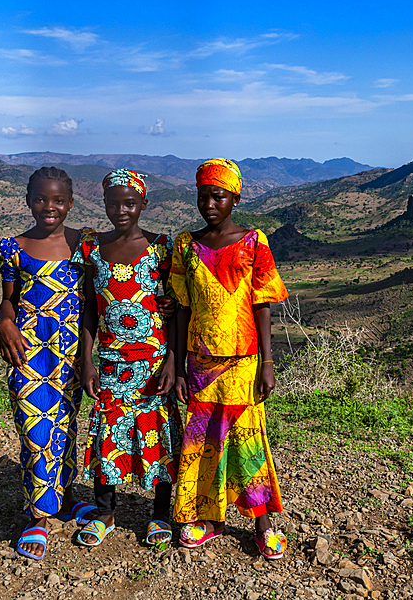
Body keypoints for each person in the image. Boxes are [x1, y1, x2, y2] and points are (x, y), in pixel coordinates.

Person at [170, 158, 290, 560]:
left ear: (235, 198)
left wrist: (268, 364)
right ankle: (209, 518)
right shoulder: (186, 246)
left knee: (246, 439)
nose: (209, 204)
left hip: (244, 360)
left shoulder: (255, 242)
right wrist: (179, 361)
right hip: (200, 360)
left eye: (218, 196)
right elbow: (182, 307)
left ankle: (262, 523)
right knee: (203, 440)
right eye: (203, 196)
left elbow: (262, 304)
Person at [74, 168, 181, 548]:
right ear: (103, 204)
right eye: (114, 203)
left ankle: (159, 514)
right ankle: (104, 512)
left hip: (153, 362)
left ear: (144, 205)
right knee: (107, 434)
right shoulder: (91, 247)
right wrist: (86, 360)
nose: (122, 210)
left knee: (159, 437)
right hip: (110, 363)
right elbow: (89, 308)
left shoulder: (162, 247)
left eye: (130, 203)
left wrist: (172, 359)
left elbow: (177, 305)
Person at [0, 166, 98, 561]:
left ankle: (68, 497)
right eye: (40, 199)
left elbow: (97, 298)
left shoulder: (85, 244)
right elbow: (9, 296)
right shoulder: (12, 246)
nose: (49, 207)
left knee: (65, 426)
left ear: (71, 203)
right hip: (27, 353)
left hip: (71, 353)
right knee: (35, 432)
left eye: (58, 200)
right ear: (28, 200)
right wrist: (4, 320)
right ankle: (37, 515)